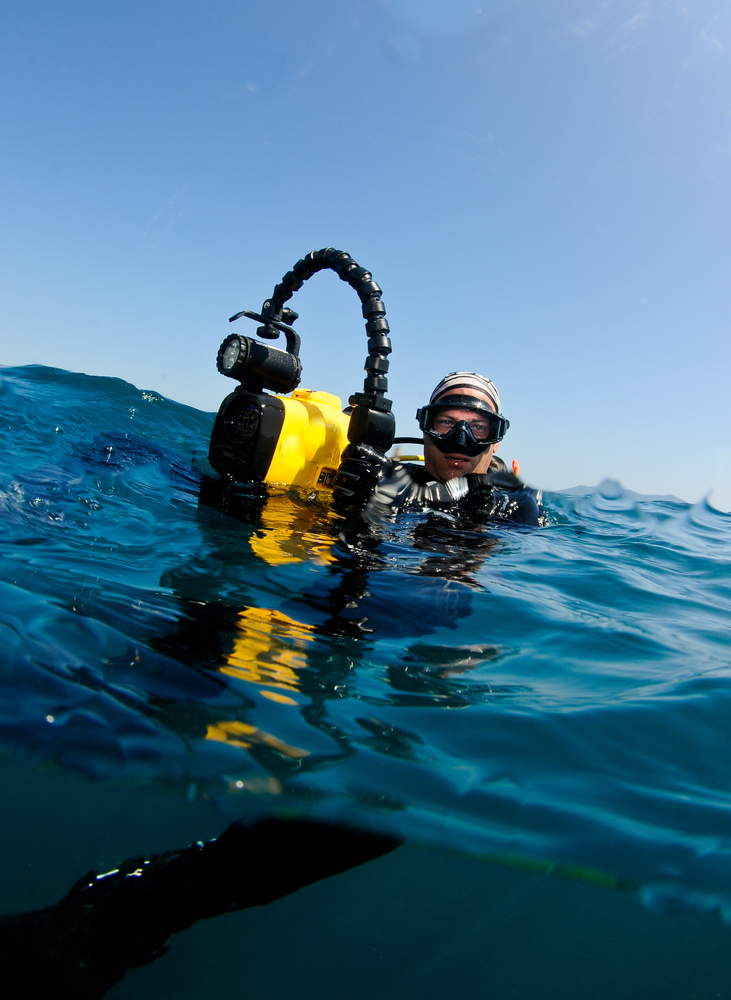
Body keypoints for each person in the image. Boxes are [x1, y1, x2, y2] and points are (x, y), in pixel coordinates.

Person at [334, 372, 541, 526]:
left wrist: (474, 518)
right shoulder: (390, 481)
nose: (460, 440)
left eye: (478, 427)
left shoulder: (516, 504)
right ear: (426, 428)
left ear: (495, 441)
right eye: (446, 422)